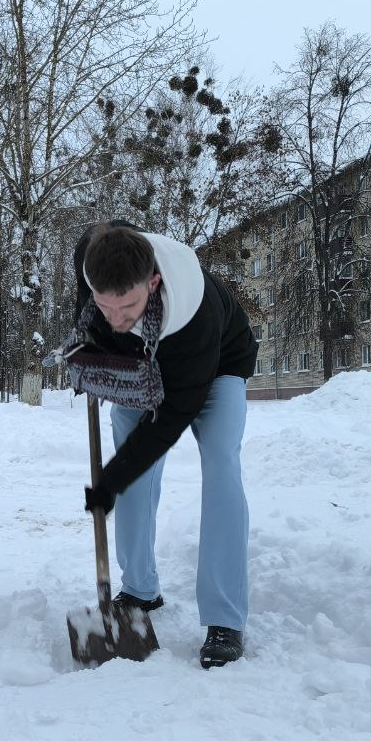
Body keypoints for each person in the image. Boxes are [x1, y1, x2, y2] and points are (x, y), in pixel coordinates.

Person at [74, 221, 257, 668]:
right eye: (105, 306)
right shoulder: (93, 265)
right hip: (143, 364)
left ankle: (224, 617)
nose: (116, 318)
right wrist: (90, 356)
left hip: (215, 367)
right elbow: (95, 327)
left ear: (153, 284)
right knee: (127, 450)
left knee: (219, 464)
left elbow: (167, 423)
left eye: (129, 307)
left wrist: (110, 481)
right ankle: (139, 589)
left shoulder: (194, 313)